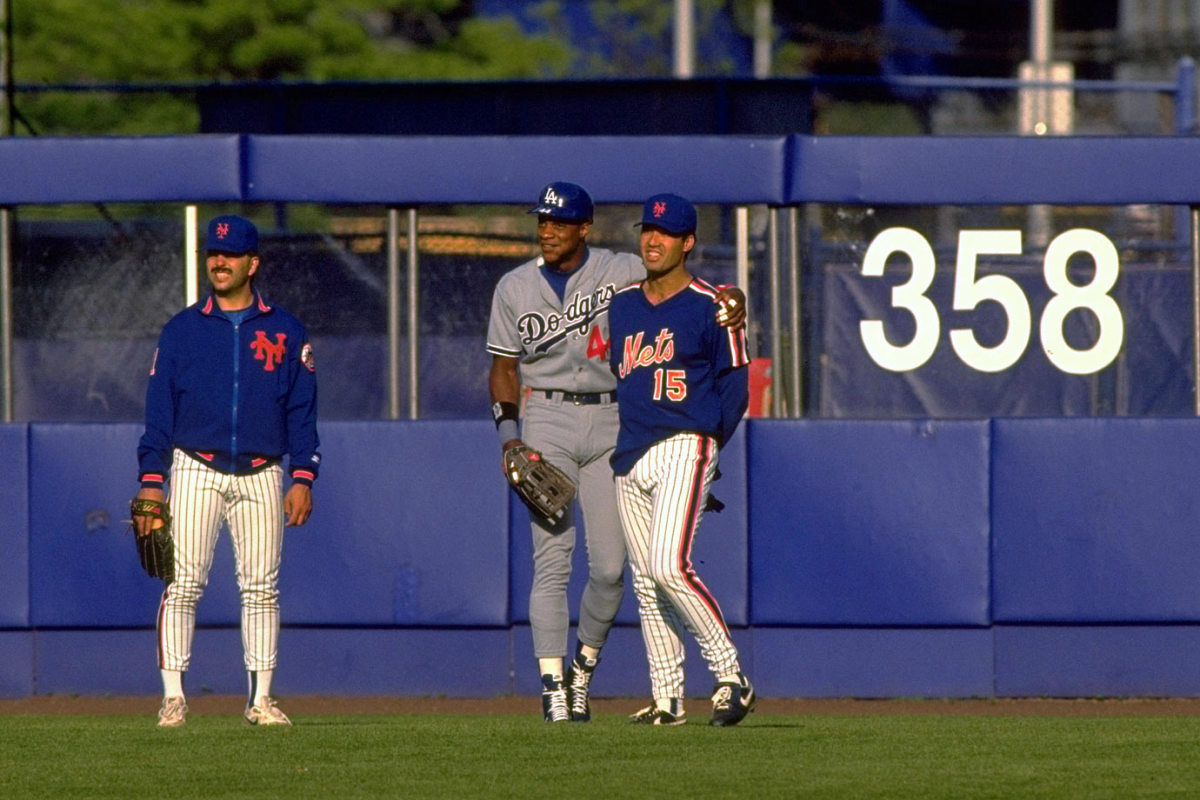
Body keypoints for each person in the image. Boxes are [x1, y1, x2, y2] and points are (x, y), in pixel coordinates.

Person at [486, 182, 745, 722]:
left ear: (585, 228)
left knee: (610, 569)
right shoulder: (514, 286)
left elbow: (685, 287)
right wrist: (509, 435)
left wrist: (732, 298)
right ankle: (554, 685)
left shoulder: (621, 270)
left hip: (613, 419)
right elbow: (504, 366)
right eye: (542, 221)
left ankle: (584, 667)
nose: (547, 230)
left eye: (559, 222)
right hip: (548, 416)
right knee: (552, 560)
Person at [132, 214, 321, 728]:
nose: (218, 261)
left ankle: (260, 699)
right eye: (213, 254)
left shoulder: (285, 329)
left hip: (262, 470)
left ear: (251, 263)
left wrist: (303, 475)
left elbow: (301, 411)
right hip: (195, 465)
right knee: (183, 582)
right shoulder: (182, 330)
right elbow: (158, 411)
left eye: (230, 254)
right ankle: (173, 696)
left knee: (261, 587)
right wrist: (153, 479)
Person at [608, 193, 755, 727]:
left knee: (671, 567)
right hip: (629, 452)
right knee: (646, 581)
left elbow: (735, 390)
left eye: (666, 233)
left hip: (686, 442)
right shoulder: (621, 305)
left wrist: (709, 454)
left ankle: (731, 675)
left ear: (688, 242)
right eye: (648, 229)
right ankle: (668, 700)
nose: (653, 239)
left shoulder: (714, 304)